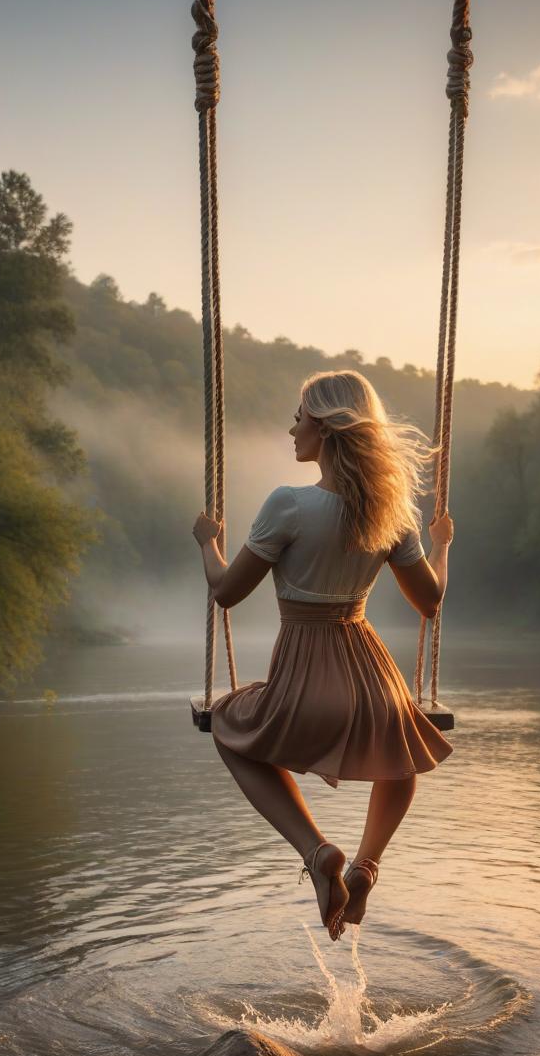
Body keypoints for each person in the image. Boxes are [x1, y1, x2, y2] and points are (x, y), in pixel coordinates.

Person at [192, 370, 454, 941]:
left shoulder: (288, 505)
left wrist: (207, 543)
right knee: (401, 750)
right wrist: (441, 544)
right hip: (374, 680)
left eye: (299, 417)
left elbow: (227, 592)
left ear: (326, 428)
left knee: (228, 727)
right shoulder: (391, 515)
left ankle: (317, 854)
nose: (292, 428)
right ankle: (366, 865)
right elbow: (430, 601)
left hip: (305, 681)